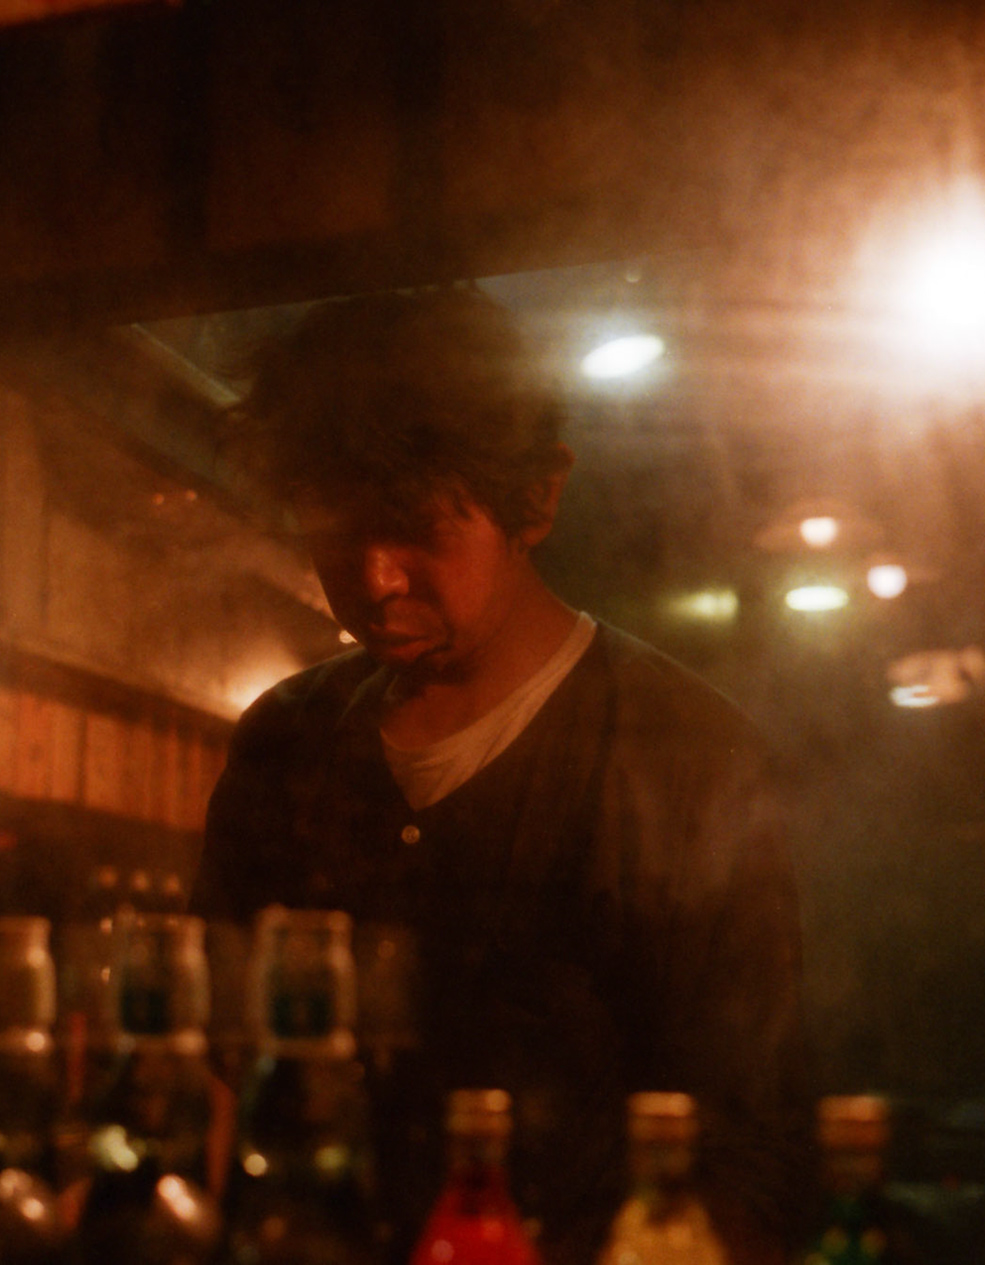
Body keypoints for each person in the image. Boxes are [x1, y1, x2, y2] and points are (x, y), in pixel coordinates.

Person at [191, 287, 812, 1265]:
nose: (378, 576)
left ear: (538, 497)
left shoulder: (683, 754)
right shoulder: (286, 740)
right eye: (336, 527)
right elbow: (213, 1066)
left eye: (416, 527)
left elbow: (748, 1149)